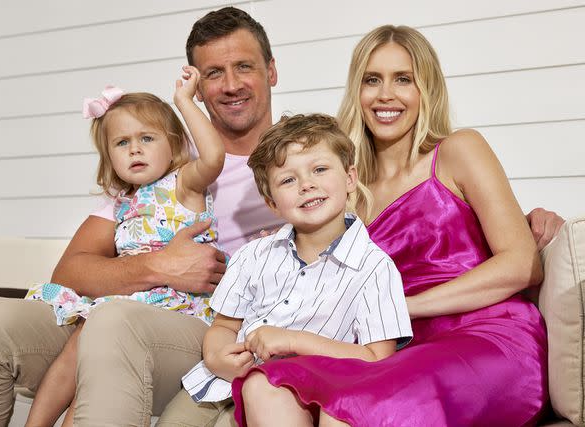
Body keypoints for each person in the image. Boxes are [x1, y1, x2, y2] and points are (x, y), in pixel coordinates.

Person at [0, 7, 564, 427]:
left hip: (209, 322)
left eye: (245, 67)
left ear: (272, 72)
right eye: (214, 72)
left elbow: (428, 220)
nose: (231, 84)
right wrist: (159, 264)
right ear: (195, 85)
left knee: (117, 329)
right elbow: (73, 266)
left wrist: (523, 215)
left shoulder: (310, 160)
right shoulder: (164, 163)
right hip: (141, 302)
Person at [229, 25, 550, 426]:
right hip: (393, 348)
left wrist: (400, 309)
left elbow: (523, 264)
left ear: (425, 89)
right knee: (268, 384)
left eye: (403, 79)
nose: (385, 95)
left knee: (351, 409)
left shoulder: (457, 151)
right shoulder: (343, 188)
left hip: (485, 338)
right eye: (372, 80)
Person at [23, 65, 224, 426]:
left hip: (176, 309)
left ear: (175, 145)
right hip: (130, 298)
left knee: (97, 338)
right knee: (82, 350)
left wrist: (184, 101)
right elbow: (75, 270)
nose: (135, 149)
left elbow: (213, 157)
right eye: (122, 143)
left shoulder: (185, 185)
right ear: (110, 158)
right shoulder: (121, 204)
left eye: (147, 138)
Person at [181, 114, 412, 424]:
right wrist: (217, 356)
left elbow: (376, 358)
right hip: (219, 385)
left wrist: (292, 341)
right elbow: (224, 325)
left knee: (259, 396)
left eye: (319, 169)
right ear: (272, 202)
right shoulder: (253, 256)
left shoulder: (373, 268)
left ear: (350, 178)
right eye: (288, 180)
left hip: (290, 397)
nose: (306, 185)